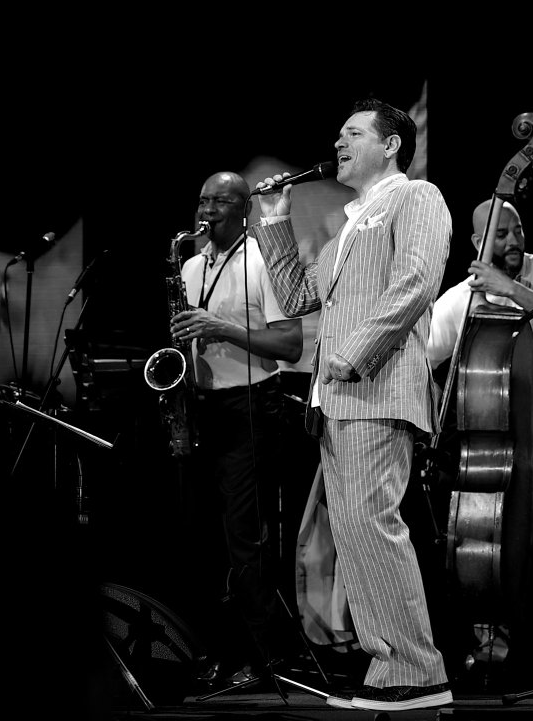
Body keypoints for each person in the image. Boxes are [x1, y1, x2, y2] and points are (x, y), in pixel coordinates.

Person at [250, 97, 453, 712]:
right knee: (354, 533)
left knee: (374, 526)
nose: (338, 142)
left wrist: (354, 353)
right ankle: (389, 668)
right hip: (336, 400)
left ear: (391, 144)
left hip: (374, 385)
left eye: (353, 133)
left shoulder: (417, 197)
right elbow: (296, 294)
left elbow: (418, 282)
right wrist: (276, 219)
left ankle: (418, 670)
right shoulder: (349, 223)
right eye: (339, 134)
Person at [427, 199, 533, 685]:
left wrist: (511, 289)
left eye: (517, 230)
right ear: (478, 244)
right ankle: (496, 648)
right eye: (500, 234)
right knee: (494, 540)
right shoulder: (460, 298)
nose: (513, 240)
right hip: (497, 444)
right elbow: (423, 359)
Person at [170, 171, 304, 686]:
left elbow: (289, 345)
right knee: (202, 538)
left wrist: (219, 327)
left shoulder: (263, 260)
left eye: (220, 201)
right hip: (200, 408)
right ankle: (215, 652)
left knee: (244, 539)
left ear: (244, 208)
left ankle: (265, 656)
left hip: (250, 407)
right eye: (202, 199)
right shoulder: (190, 265)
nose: (207, 209)